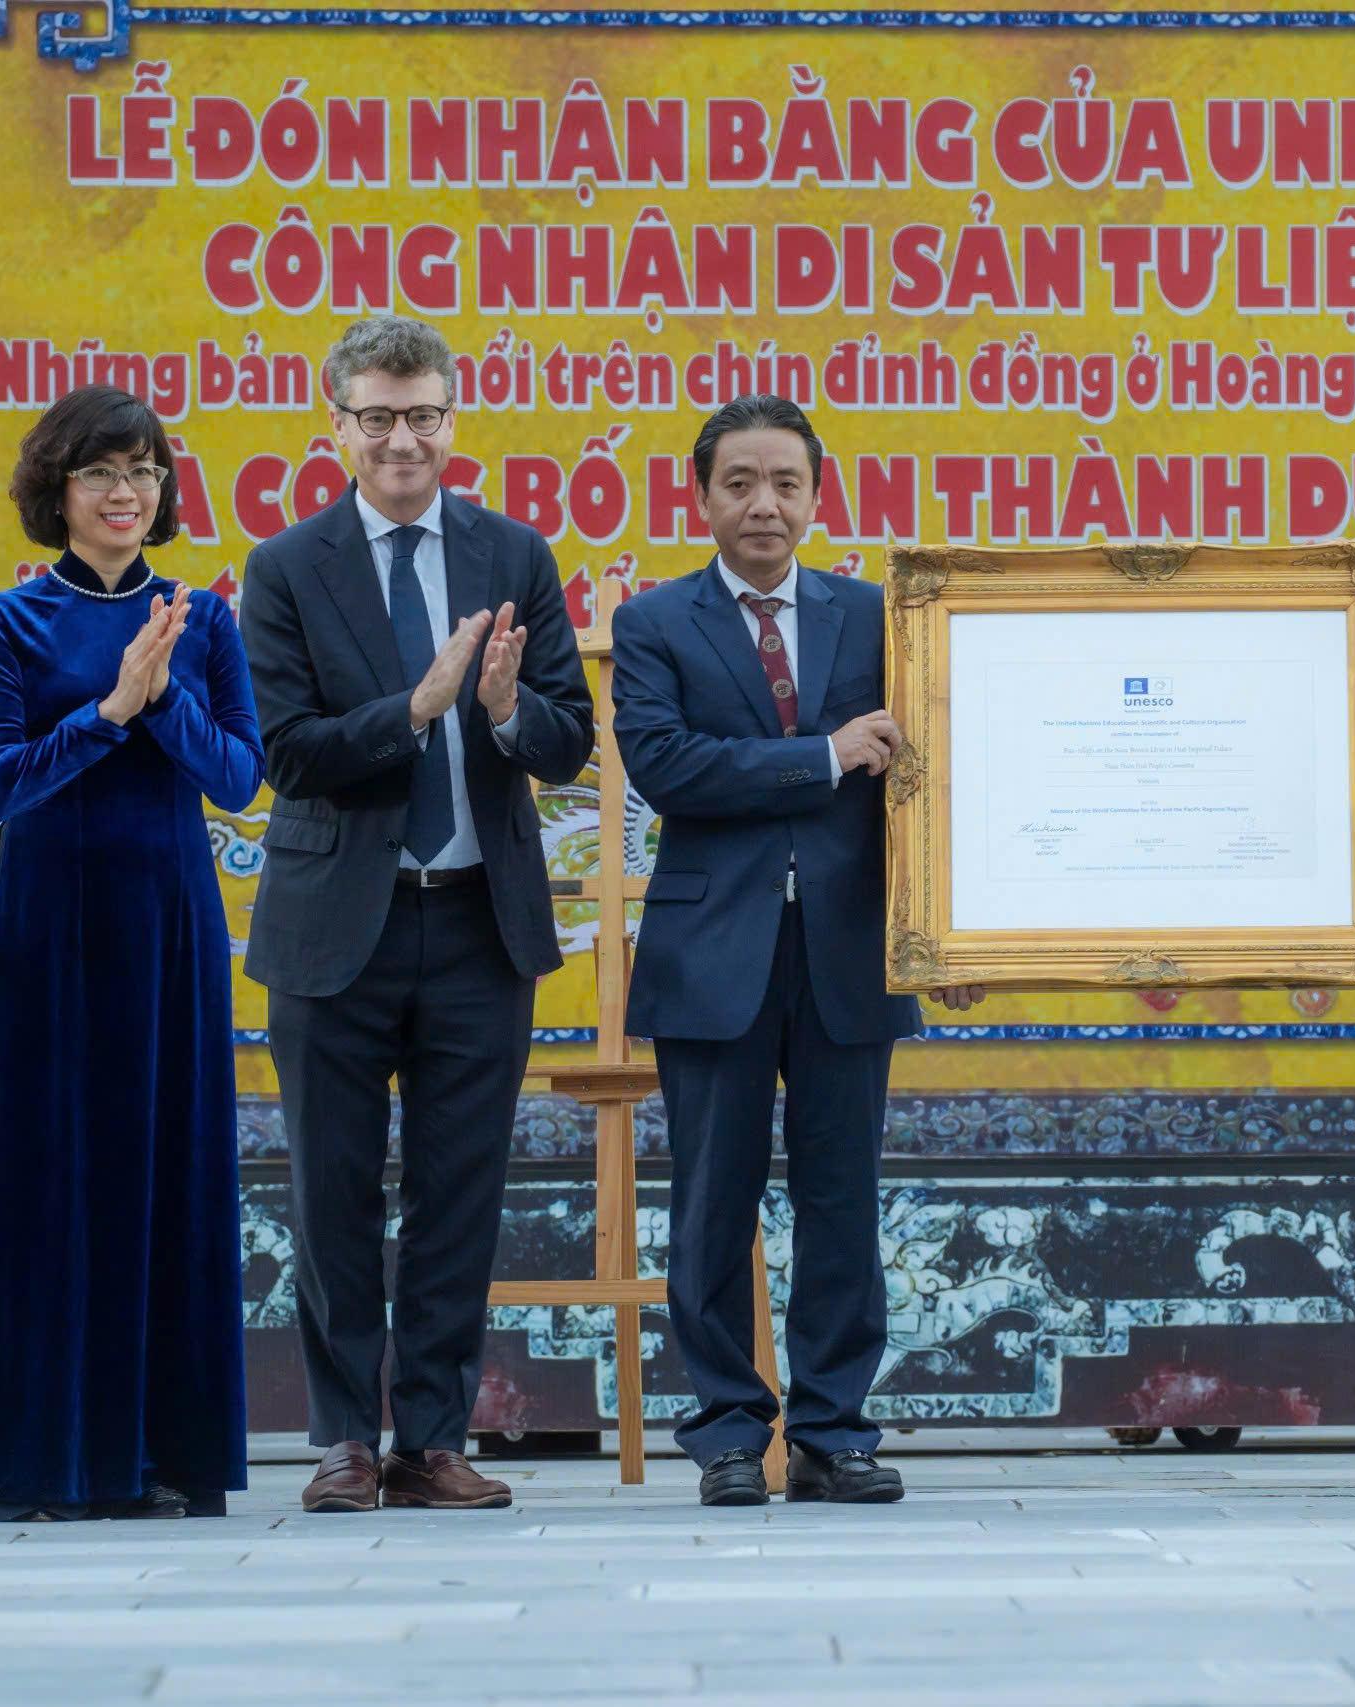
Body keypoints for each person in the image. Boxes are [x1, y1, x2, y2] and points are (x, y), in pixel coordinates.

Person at [240, 315, 594, 1514]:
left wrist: (499, 711)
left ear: (453, 418)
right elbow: (285, 755)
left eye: (425, 414)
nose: (405, 438)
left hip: (476, 925)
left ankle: (431, 1439)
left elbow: (569, 740)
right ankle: (344, 1438)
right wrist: (418, 703)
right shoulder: (287, 567)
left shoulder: (514, 555)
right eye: (379, 417)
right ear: (335, 426)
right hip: (338, 924)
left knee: (459, 1190)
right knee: (332, 1188)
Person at [610, 396, 983, 1507]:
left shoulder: (879, 617)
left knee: (843, 1201)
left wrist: (950, 928)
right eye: (739, 483)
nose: (762, 504)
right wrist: (821, 756)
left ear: (817, 497)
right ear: (703, 496)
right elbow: (670, 768)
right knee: (710, 1204)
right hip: (708, 951)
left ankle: (832, 1432)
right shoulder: (653, 623)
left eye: (784, 484)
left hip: (850, 948)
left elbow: (930, 782)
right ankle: (728, 1434)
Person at [0, 385, 265, 1522]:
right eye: (100, 473)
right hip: (42, 918)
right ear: (59, 493)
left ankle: (156, 1458)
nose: (126, 492)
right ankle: (40, 1461)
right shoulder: (11, 619)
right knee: (49, 1170)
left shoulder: (204, 616)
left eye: (142, 470)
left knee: (165, 1166)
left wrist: (158, 695)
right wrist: (108, 711)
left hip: (165, 915)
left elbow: (237, 778)